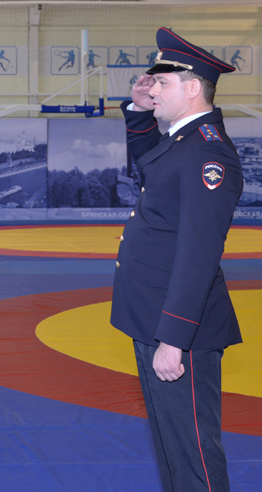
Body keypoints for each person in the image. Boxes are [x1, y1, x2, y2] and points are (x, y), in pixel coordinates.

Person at [111, 27, 241, 492]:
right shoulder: (183, 141)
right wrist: (137, 112)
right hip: (154, 315)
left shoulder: (208, 152)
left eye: (162, 83)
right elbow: (153, 168)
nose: (152, 90)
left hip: (176, 327)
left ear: (192, 88)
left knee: (193, 452)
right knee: (171, 444)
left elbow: (199, 252)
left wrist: (174, 337)